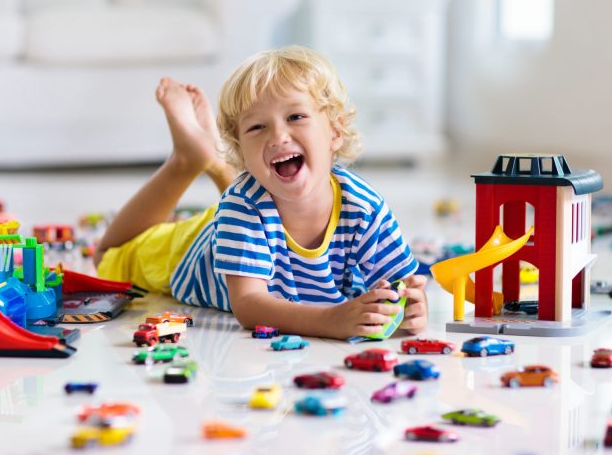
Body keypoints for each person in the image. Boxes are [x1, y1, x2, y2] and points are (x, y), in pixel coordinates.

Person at [94, 45, 427, 340]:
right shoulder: (241, 204)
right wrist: (331, 320)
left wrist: (412, 307)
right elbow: (250, 305)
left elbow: (404, 284)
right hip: (195, 249)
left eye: (296, 116)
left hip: (251, 215)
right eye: (257, 127)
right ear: (242, 148)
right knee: (106, 256)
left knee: (254, 190)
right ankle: (186, 161)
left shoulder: (364, 207)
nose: (278, 136)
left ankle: (213, 160)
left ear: (335, 132)